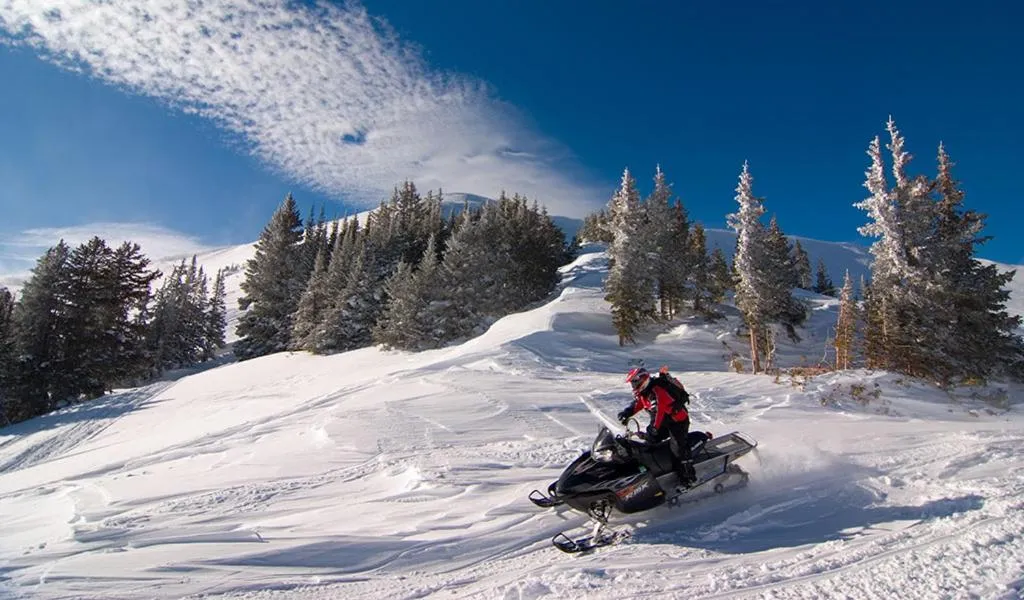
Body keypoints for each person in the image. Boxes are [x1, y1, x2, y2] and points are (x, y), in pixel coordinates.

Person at [617, 366, 697, 486]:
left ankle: (688, 478)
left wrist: (653, 429)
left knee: (677, 449)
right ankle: (655, 471)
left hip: (677, 422)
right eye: (632, 383)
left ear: (642, 379)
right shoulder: (645, 392)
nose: (633, 385)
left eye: (634, 382)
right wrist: (627, 413)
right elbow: (639, 403)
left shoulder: (657, 391)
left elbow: (659, 413)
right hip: (664, 422)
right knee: (648, 445)